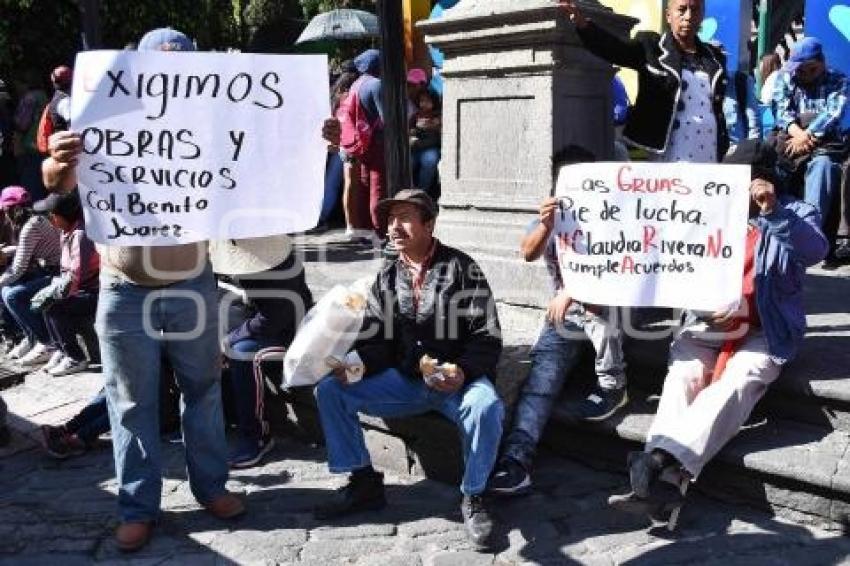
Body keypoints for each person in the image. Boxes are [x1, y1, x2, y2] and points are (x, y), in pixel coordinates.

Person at [42, 27, 243, 553]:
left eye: (182, 68)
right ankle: (138, 507)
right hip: (124, 289)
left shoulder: (217, 119)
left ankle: (212, 488)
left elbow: (270, 155)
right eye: (161, 67)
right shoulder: (104, 114)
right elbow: (53, 180)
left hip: (193, 284)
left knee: (203, 392)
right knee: (129, 404)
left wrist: (319, 137)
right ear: (140, 68)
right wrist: (60, 160)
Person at [609, 140, 828, 518]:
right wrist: (705, 310)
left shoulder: (796, 211)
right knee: (684, 376)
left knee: (738, 381)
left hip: (766, 329)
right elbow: (684, 271)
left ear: (761, 181)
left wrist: (773, 211)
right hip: (707, 324)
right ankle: (661, 482)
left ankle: (656, 460)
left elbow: (814, 251)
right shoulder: (708, 211)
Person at [312, 189, 504, 548]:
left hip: (457, 382)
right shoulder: (387, 277)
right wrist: (357, 363)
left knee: (487, 406)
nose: (393, 227)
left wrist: (462, 371)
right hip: (405, 383)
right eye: (389, 219)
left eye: (404, 218)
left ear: (429, 224)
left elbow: (486, 337)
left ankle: (475, 495)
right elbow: (379, 341)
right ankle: (364, 483)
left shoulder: (462, 269)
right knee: (330, 390)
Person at [488, 147, 627, 496]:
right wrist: (547, 224)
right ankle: (516, 460)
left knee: (605, 324)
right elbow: (527, 251)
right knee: (540, 382)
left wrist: (576, 290)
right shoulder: (551, 213)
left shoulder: (612, 215)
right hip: (562, 316)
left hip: (606, 308)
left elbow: (622, 268)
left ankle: (613, 386)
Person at [560, 0, 729, 163]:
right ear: (668, 15)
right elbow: (616, 49)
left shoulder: (714, 57)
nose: (688, 16)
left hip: (709, 149)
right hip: (670, 152)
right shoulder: (651, 47)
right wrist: (584, 25)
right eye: (682, 9)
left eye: (695, 9)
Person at [221, 241, 314, 468]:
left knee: (242, 353)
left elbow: (274, 318)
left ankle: (255, 436)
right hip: (243, 322)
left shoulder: (278, 262)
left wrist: (229, 340)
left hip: (287, 332)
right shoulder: (227, 251)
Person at [772, 37, 849, 269]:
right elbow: (781, 109)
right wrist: (798, 134)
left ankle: (810, 232)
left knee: (822, 167)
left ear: (820, 64)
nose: (803, 74)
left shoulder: (839, 80)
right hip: (792, 139)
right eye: (800, 69)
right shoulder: (786, 77)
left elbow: (833, 114)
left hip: (827, 143)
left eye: (809, 69)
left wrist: (808, 136)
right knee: (774, 165)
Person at [30, 190, 99, 376]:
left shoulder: (81, 235)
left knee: (55, 306)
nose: (50, 219)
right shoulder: (65, 232)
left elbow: (77, 275)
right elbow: (64, 271)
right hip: (77, 290)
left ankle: (76, 357)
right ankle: (61, 350)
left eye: (53, 215)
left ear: (65, 215)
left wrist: (56, 294)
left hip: (92, 292)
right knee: (47, 303)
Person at [0, 185, 61, 365]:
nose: (4, 214)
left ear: (12, 209)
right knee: (7, 290)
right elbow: (24, 249)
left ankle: (47, 343)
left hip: (58, 273)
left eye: (4, 210)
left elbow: (17, 268)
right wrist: (7, 252)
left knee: (11, 295)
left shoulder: (30, 227)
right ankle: (32, 337)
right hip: (49, 269)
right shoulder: (35, 220)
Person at [337, 49, 386, 238]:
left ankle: (365, 229)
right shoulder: (376, 84)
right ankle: (380, 231)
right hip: (376, 143)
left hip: (359, 143)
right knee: (378, 188)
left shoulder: (356, 83)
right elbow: (386, 119)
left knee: (364, 186)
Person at [12, 72, 47, 201]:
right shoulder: (44, 96)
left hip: (28, 147)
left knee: (31, 185)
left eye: (17, 84)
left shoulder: (29, 98)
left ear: (25, 83)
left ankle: (32, 212)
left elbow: (21, 124)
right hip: (42, 145)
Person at [409, 88, 441, 197]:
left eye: (428, 101)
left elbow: (439, 137)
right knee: (408, 162)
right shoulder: (415, 115)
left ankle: (422, 191)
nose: (424, 104)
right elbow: (409, 131)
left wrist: (434, 126)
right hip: (415, 148)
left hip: (430, 147)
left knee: (429, 160)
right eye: (422, 101)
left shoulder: (438, 116)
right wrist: (413, 132)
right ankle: (409, 188)